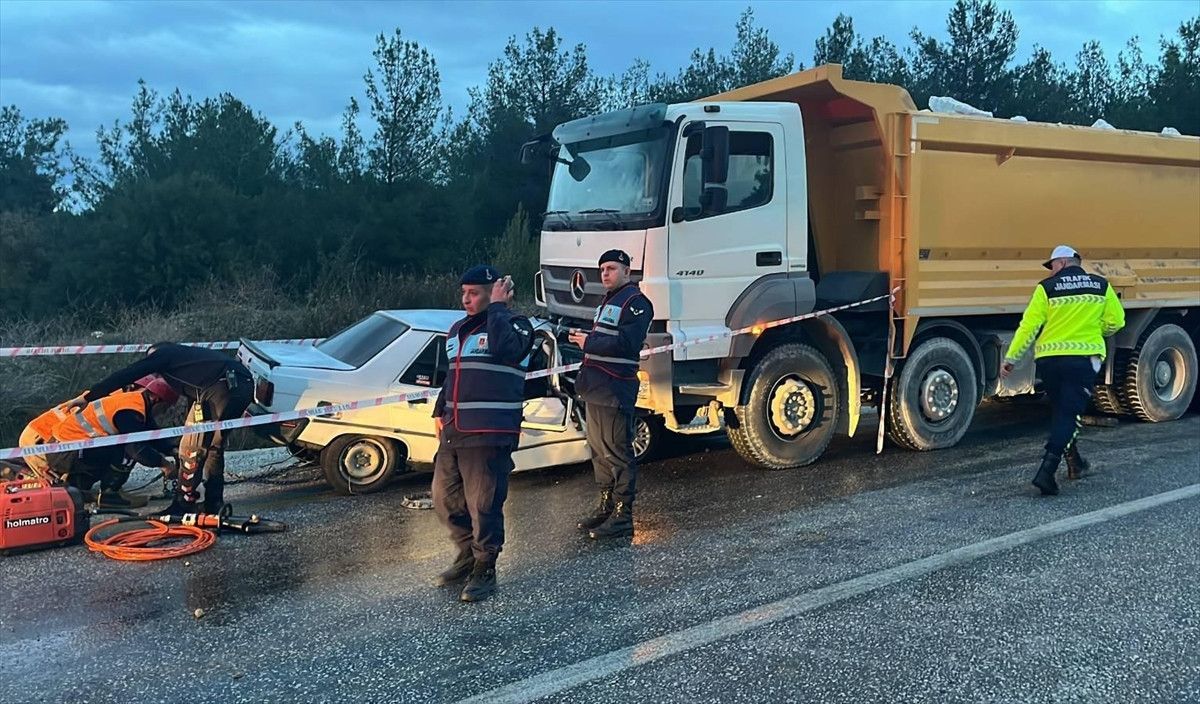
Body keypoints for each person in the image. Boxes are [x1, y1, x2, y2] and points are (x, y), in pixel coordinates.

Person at [431, 265, 535, 603]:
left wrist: (499, 308)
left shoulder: (516, 325)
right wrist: (439, 410)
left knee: (484, 504)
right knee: (445, 498)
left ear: (496, 292)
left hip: (490, 431)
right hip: (455, 429)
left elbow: (508, 350)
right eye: (463, 293)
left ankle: (485, 567)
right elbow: (453, 374)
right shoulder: (457, 330)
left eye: (474, 293)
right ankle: (467, 553)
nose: (466, 299)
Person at [69, 342, 253, 514]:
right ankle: (213, 504)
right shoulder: (191, 361)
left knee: (190, 449)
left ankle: (183, 505)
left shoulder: (165, 354)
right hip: (240, 386)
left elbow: (128, 373)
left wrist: (88, 396)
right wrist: (173, 446)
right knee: (214, 447)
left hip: (219, 390)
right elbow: (194, 398)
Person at [1001, 245, 1125, 495]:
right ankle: (1046, 471)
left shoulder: (1046, 288)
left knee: (1062, 411)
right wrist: (1096, 329)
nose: (1051, 271)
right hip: (1082, 360)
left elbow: (1029, 326)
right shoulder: (1100, 286)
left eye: (1052, 266)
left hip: (1049, 361)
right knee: (1069, 414)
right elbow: (1117, 321)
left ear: (1064, 263)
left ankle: (1075, 463)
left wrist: (1011, 358)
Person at [569, 249, 654, 539]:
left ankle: (623, 515)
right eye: (602, 269)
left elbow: (628, 343)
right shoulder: (607, 301)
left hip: (615, 387)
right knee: (598, 449)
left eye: (612, 268)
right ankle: (606, 505)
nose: (605, 273)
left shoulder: (637, 302)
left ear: (627, 271)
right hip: (595, 386)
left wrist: (589, 342)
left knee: (617, 451)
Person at [45, 375, 179, 508]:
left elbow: (151, 433)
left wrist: (172, 450)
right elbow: (137, 450)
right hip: (66, 453)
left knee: (111, 446)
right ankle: (110, 495)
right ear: (156, 399)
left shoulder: (135, 402)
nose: (164, 412)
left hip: (61, 449)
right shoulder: (130, 411)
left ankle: (77, 487)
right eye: (165, 407)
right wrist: (165, 465)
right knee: (126, 450)